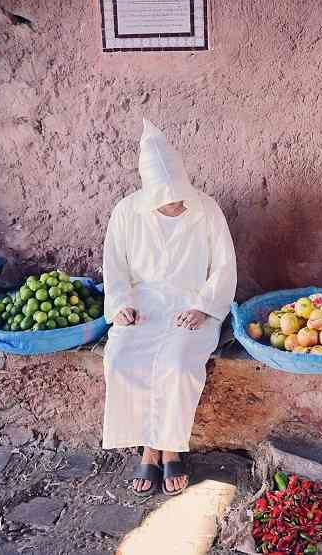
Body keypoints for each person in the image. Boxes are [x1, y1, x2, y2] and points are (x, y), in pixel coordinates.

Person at [101, 119, 237, 496]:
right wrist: (121, 306)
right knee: (121, 359)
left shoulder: (207, 209)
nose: (174, 203)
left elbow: (224, 267)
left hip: (192, 306)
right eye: (165, 198)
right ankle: (150, 446)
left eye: (178, 195)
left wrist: (204, 307)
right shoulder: (126, 212)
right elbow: (114, 267)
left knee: (177, 364)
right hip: (144, 306)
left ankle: (168, 447)